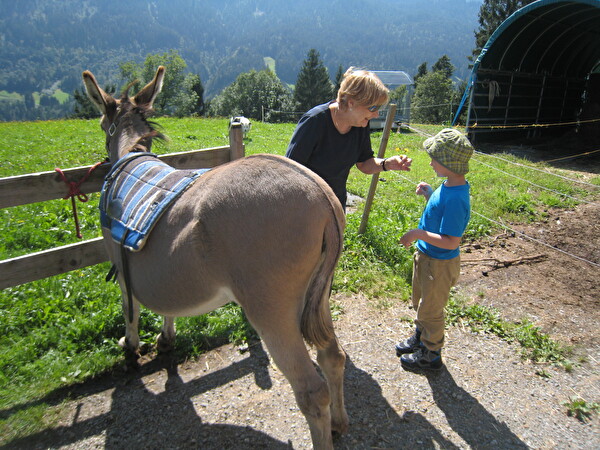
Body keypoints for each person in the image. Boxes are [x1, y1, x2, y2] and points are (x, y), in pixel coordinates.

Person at [395, 128, 474, 370]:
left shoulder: (456, 198)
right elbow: (441, 216)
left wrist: (417, 234)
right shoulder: (448, 185)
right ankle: (421, 336)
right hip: (428, 257)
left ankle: (431, 352)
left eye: (434, 159)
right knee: (422, 300)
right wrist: (430, 195)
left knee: (432, 308)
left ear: (448, 163)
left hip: (439, 264)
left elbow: (451, 241)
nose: (430, 163)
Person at [285, 67, 412, 210]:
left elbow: (364, 163)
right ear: (351, 103)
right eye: (373, 108)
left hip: (335, 205)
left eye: (379, 108)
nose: (376, 115)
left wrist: (387, 164)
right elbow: (289, 170)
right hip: (305, 205)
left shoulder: (360, 124)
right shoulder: (314, 121)